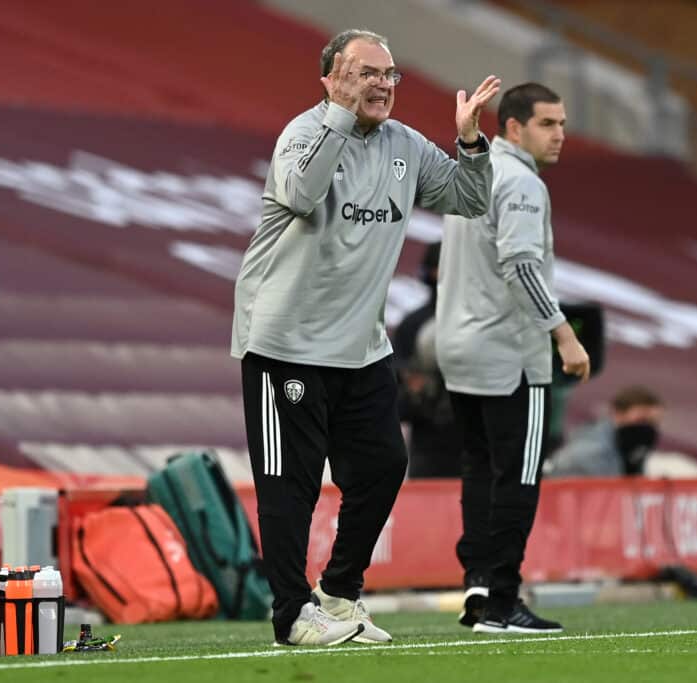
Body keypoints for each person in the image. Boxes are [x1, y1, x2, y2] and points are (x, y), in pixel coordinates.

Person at [230, 28, 500, 647]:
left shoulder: (405, 145)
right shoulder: (303, 134)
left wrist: (468, 141)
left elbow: (470, 198)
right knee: (290, 484)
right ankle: (293, 615)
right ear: (329, 78)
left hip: (360, 348)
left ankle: (341, 595)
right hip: (285, 344)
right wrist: (339, 115)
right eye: (365, 73)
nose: (382, 84)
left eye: (389, 74)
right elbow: (300, 195)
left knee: (382, 466)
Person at [435, 82, 590, 634]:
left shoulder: (473, 171)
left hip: (457, 345)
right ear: (514, 127)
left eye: (564, 124)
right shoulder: (522, 182)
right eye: (548, 124)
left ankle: (478, 586)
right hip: (508, 353)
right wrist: (564, 337)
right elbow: (521, 265)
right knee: (518, 475)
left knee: (479, 470)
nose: (560, 135)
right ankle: (502, 600)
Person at [394, 242, 462, 478]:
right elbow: (397, 388)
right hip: (429, 442)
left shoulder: (413, 323)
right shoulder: (413, 325)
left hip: (469, 441)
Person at [545, 385, 664, 477]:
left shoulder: (631, 452)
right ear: (617, 413)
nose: (647, 427)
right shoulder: (585, 454)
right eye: (641, 419)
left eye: (654, 421)